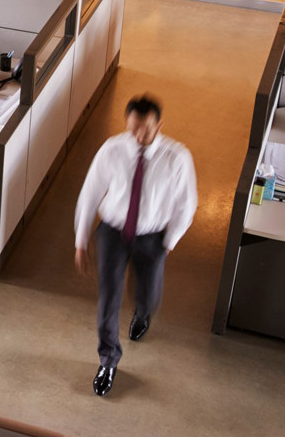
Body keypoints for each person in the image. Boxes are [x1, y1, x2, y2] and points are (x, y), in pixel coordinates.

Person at [73, 95, 198, 397]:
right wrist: (80, 240)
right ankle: (108, 359)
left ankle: (142, 313)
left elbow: (187, 203)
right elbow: (90, 193)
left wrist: (170, 242)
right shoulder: (112, 150)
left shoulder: (177, 157)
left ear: (159, 125)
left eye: (145, 129)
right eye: (133, 129)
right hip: (113, 232)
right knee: (109, 296)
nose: (138, 136)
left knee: (147, 294)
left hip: (152, 237)